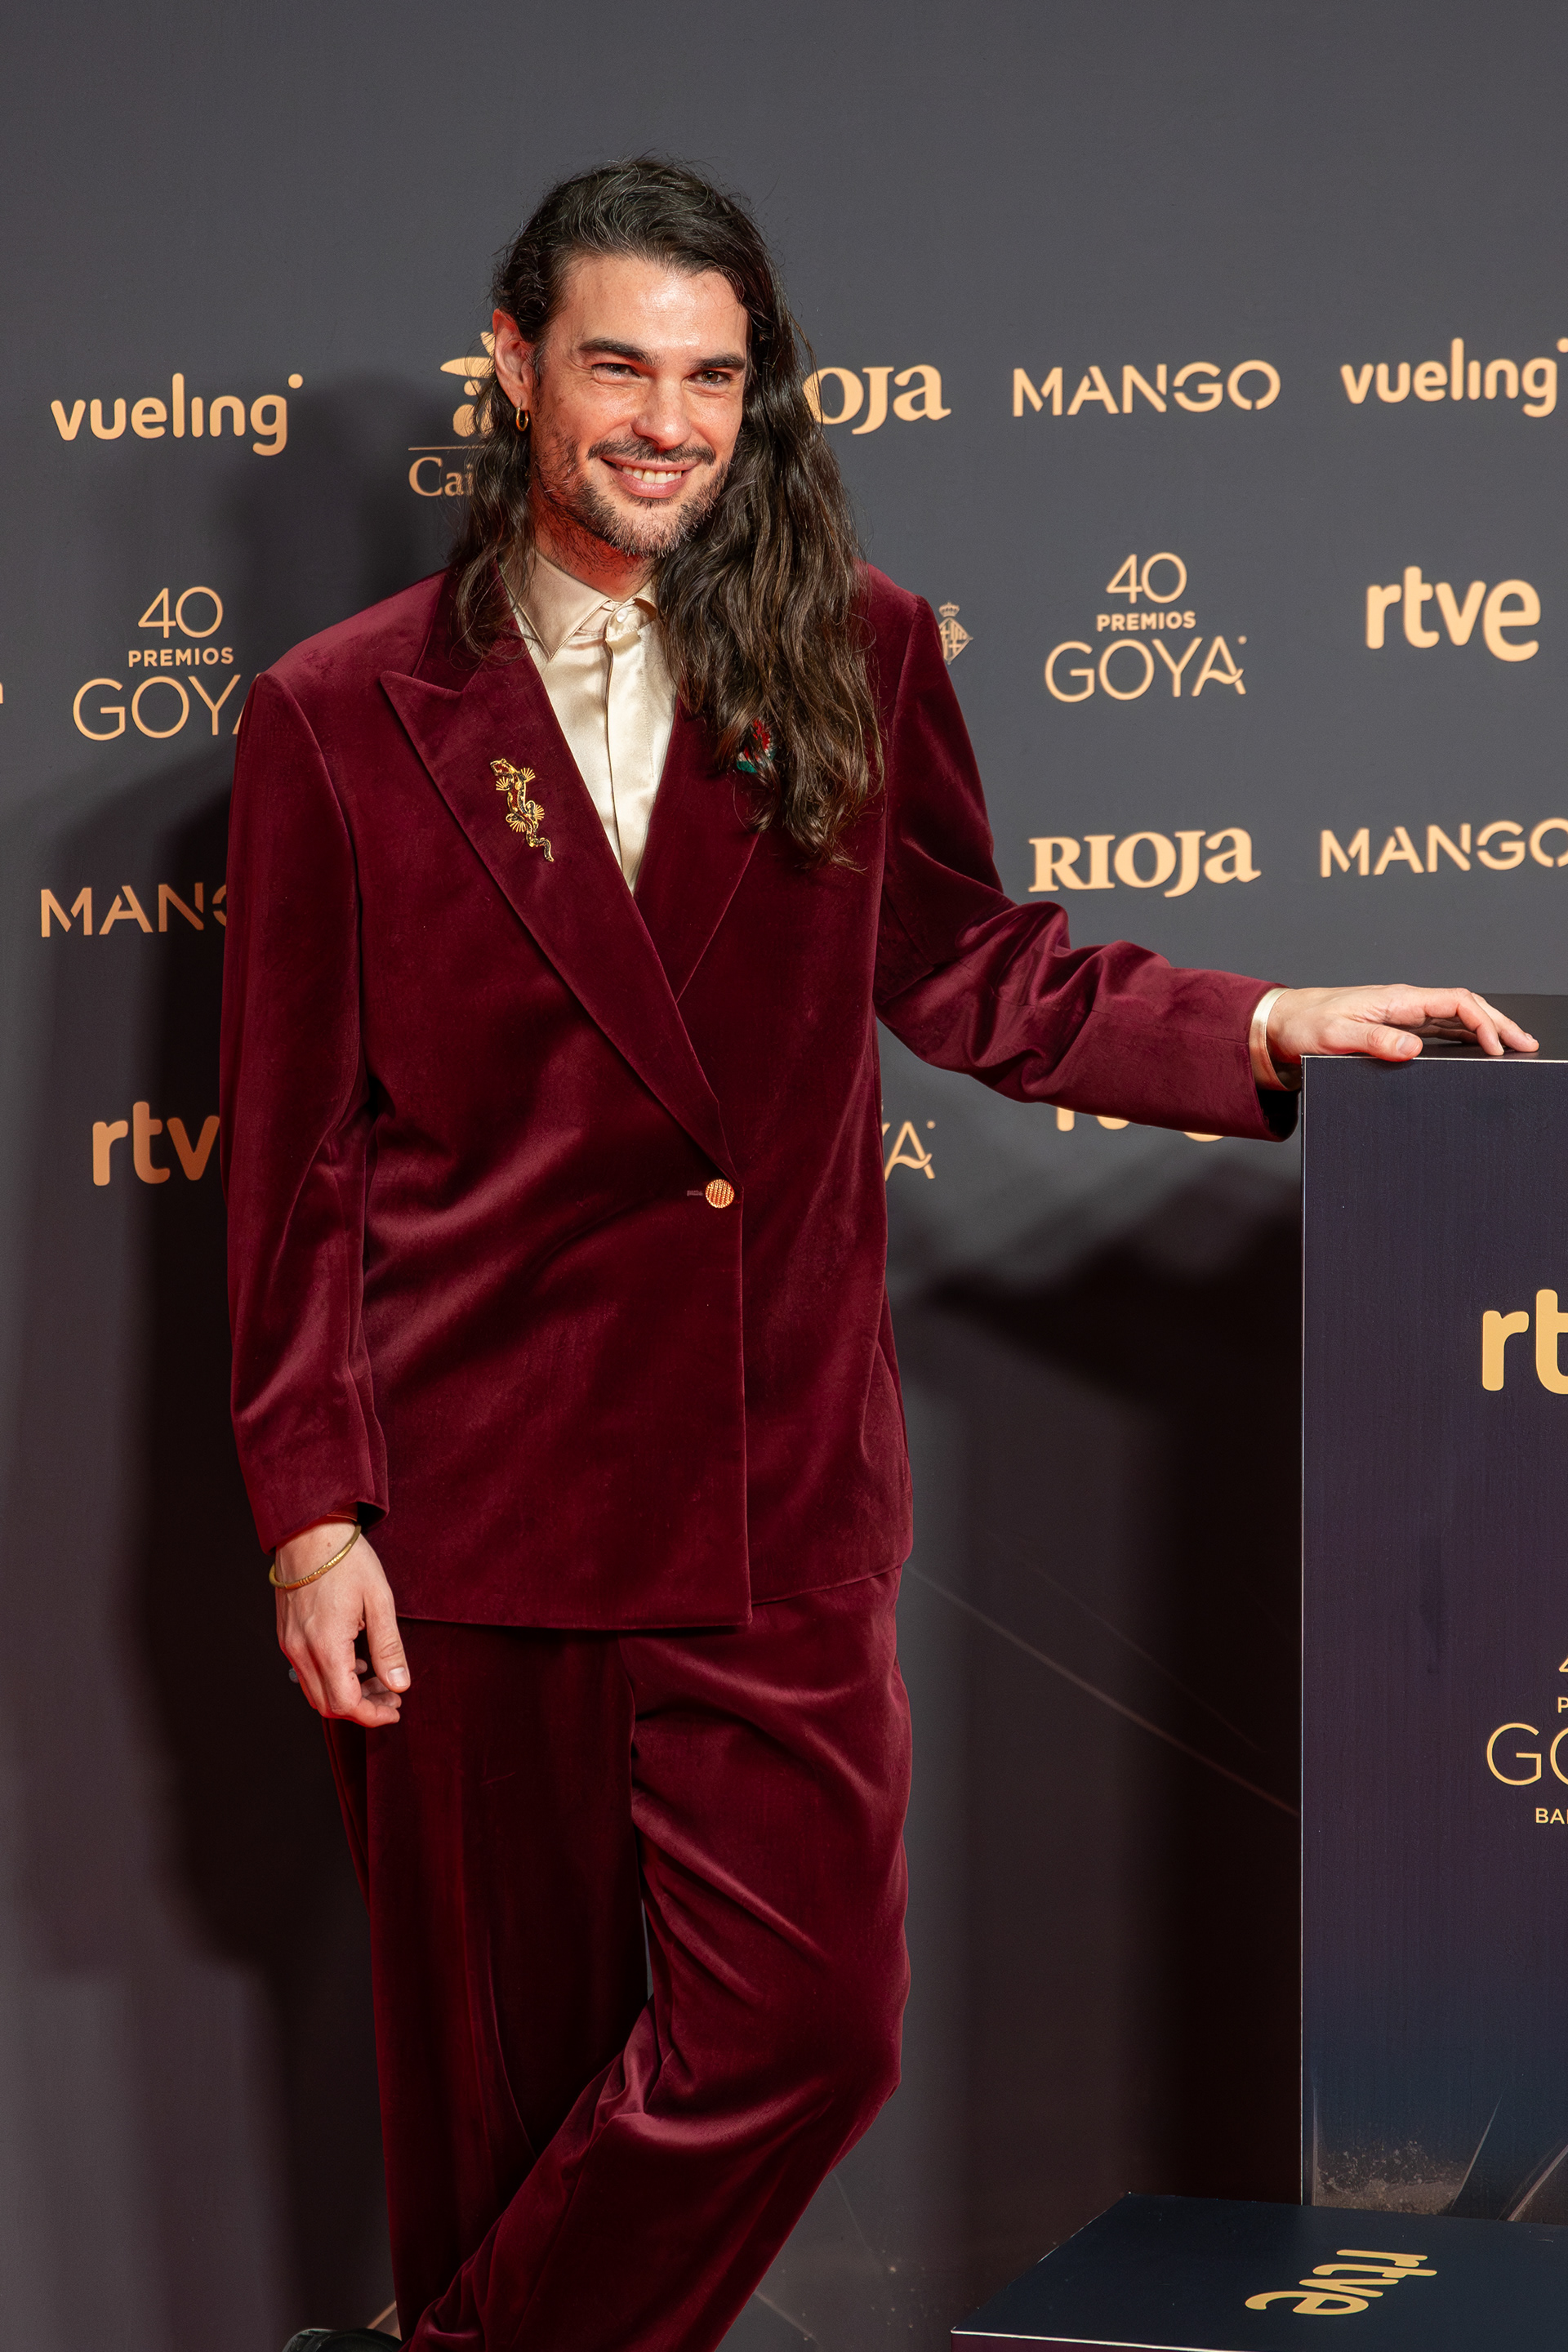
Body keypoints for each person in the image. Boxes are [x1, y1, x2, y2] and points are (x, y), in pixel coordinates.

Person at [219, 158, 1535, 2352]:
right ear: (515, 366)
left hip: (771, 1499)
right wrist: (306, 1512)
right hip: (472, 1509)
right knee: (503, 2115)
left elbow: (982, 969)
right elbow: (295, 1163)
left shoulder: (859, 644)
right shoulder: (338, 716)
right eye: (621, 363)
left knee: (805, 2030)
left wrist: (1267, 1027)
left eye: (713, 376)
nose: (666, 418)